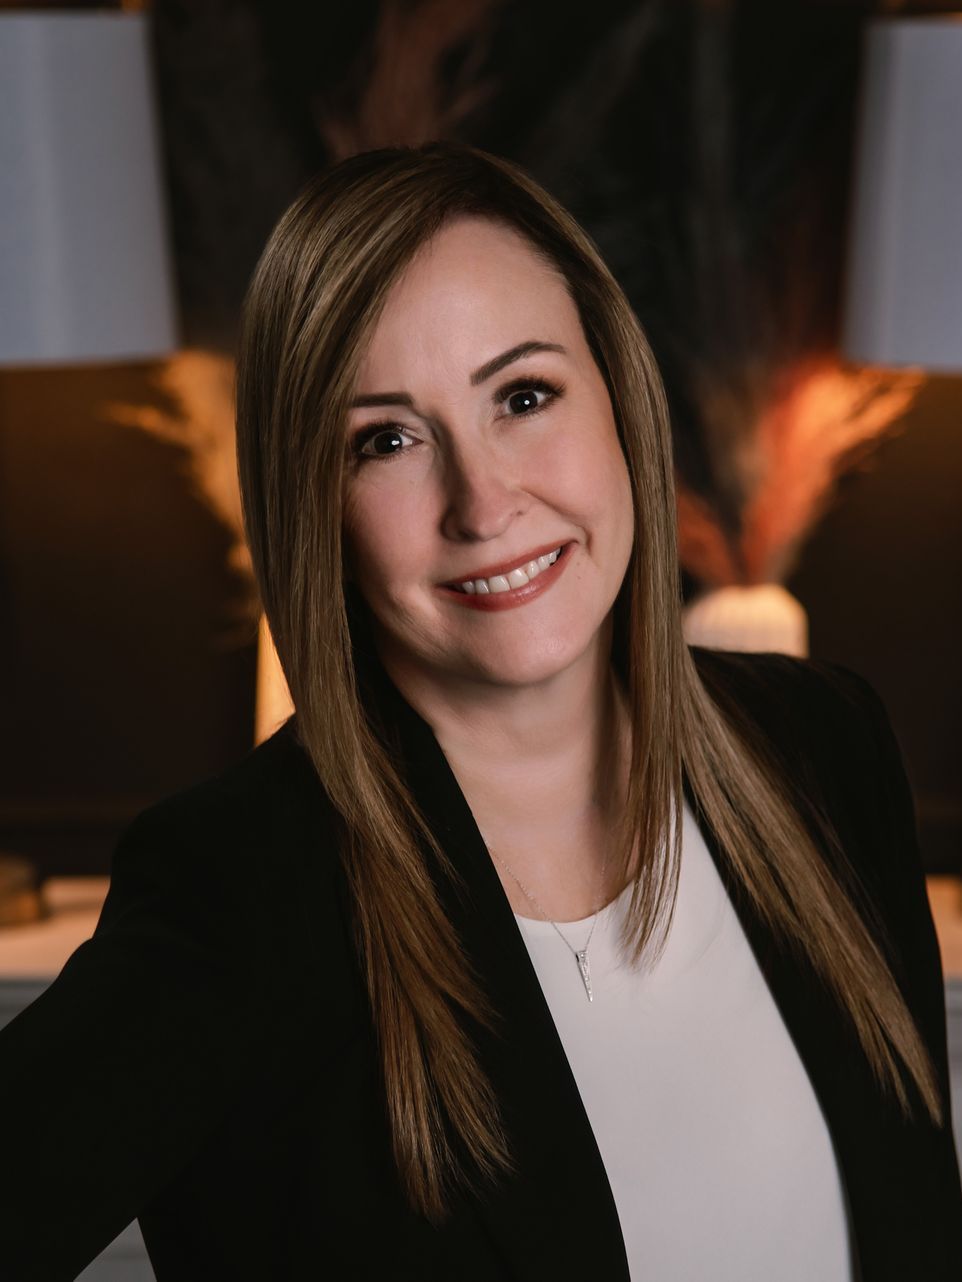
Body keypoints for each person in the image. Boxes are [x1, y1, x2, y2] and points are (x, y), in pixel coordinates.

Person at [1, 141, 960, 1282]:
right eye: (387, 440)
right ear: (315, 505)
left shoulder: (823, 749)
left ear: (617, 398)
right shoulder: (239, 887)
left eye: (522, 394)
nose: (484, 500)